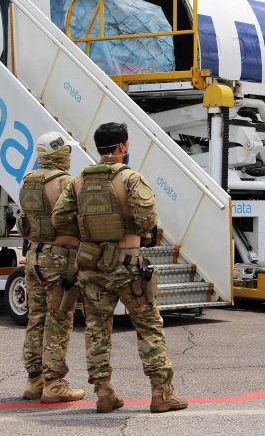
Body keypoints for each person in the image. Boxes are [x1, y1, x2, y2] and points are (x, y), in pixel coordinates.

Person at [52, 122, 188, 414]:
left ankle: (104, 394)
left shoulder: (77, 182)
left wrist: (88, 235)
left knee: (96, 329)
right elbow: (147, 220)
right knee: (149, 326)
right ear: (122, 147)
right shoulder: (131, 178)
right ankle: (161, 394)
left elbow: (60, 219)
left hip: (91, 268)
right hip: (127, 266)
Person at [18, 132, 85, 403]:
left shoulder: (28, 180)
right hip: (58, 259)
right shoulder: (66, 183)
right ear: (60, 153)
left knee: (36, 318)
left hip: (34, 256)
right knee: (59, 319)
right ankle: (54, 384)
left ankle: (34, 381)